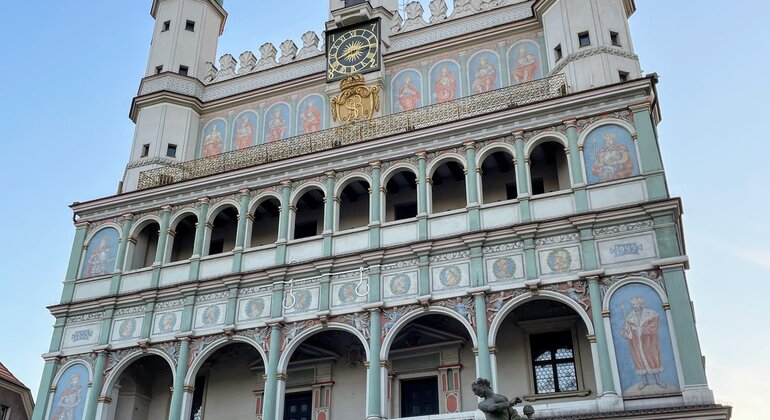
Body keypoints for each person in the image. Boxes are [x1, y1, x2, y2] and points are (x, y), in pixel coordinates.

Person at [621, 296, 666, 389]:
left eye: (637, 304)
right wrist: (628, 329)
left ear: (641, 304)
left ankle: (657, 380)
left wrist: (640, 329)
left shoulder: (651, 314)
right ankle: (645, 381)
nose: (635, 306)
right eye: (633, 304)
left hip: (649, 342)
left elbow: (654, 326)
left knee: (653, 358)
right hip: (636, 343)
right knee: (639, 360)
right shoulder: (630, 317)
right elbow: (625, 331)